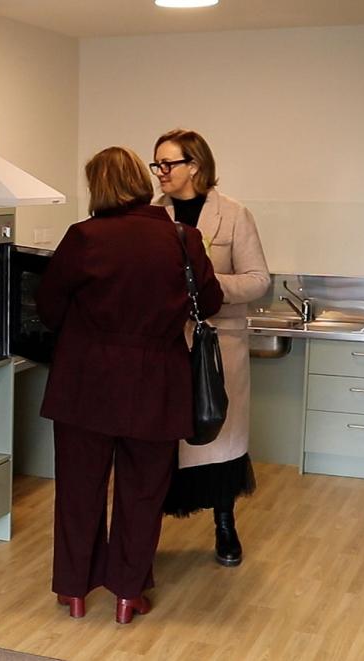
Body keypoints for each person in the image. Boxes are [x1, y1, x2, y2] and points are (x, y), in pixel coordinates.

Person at [35, 146, 223, 623]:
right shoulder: (183, 238)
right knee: (143, 492)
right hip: (157, 384)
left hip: (84, 385)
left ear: (97, 188)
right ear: (142, 181)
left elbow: (50, 309)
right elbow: (212, 300)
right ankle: (126, 593)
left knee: (79, 489)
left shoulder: (83, 238)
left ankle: (74, 590)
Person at [150, 129, 270, 567]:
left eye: (168, 164)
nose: (160, 172)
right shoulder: (150, 216)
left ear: (195, 166)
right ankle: (147, 535)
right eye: (156, 164)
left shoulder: (235, 215)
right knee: (164, 445)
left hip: (218, 347)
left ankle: (224, 525)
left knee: (220, 440)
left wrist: (206, 287)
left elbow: (259, 280)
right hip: (164, 349)